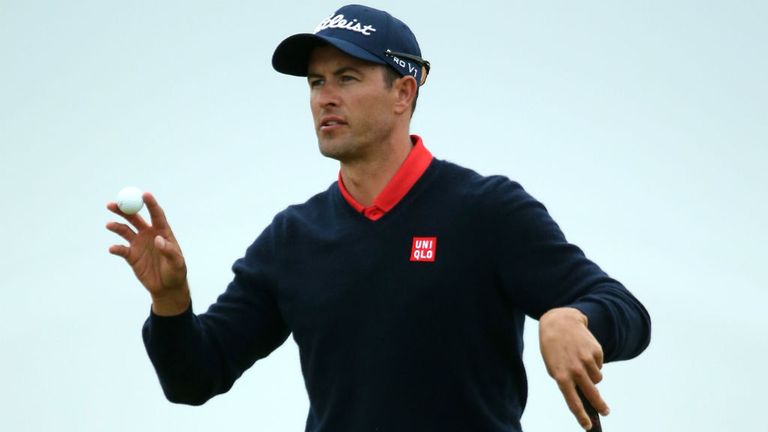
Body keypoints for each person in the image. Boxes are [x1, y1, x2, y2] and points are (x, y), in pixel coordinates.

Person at [106, 4, 650, 432]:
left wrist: (575, 319)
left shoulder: (486, 211)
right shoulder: (291, 239)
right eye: (316, 83)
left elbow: (625, 310)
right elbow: (195, 377)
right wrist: (171, 304)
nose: (326, 98)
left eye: (347, 77)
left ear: (403, 93)